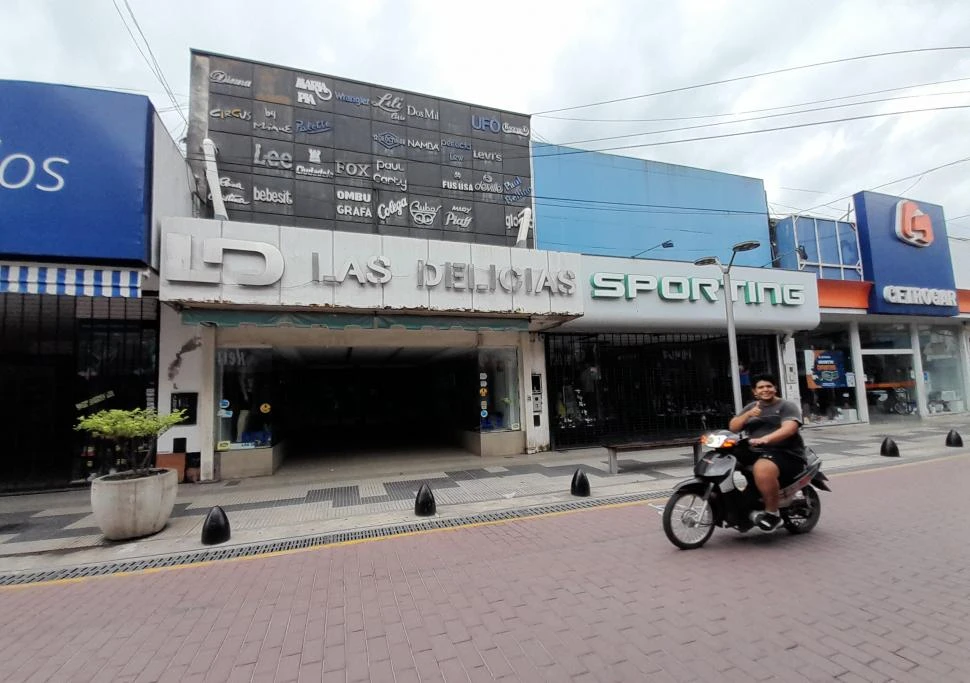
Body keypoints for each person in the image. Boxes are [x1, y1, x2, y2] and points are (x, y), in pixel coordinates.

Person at [728, 374, 806, 531]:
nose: (765, 390)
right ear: (755, 391)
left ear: (775, 388)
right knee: (723, 460)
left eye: (769, 386)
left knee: (762, 469)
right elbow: (733, 427)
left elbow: (789, 428)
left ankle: (773, 513)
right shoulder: (752, 407)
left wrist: (766, 439)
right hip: (755, 451)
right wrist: (748, 415)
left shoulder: (786, 406)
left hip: (785, 452)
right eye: (761, 387)